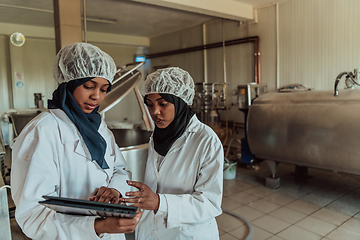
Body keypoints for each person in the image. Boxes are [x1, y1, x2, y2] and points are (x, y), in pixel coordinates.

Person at [10, 42, 142, 240]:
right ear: (68, 84)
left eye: (104, 89)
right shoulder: (42, 131)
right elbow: (33, 216)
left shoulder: (99, 127)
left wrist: (114, 190)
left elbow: (120, 169)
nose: (96, 96)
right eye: (89, 86)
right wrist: (97, 226)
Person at [120, 67, 224, 240]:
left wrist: (160, 203)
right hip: (150, 229)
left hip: (186, 234)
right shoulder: (158, 136)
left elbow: (210, 204)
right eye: (150, 104)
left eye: (163, 103)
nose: (155, 112)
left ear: (180, 101)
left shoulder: (206, 140)